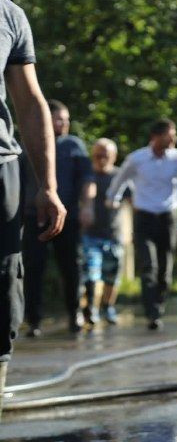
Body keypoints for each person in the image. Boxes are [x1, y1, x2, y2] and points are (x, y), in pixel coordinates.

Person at [0, 0, 66, 418]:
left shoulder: (10, 16)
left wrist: (48, 184)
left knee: (5, 284)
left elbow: (29, 102)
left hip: (1, 169)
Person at [106, 119, 177, 330]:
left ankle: (159, 304)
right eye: (171, 135)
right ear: (156, 136)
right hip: (144, 217)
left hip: (168, 216)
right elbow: (120, 179)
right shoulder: (137, 158)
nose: (175, 140)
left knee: (165, 268)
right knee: (148, 265)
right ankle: (151, 312)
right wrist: (113, 198)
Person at [22, 100, 94, 334]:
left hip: (67, 217)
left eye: (66, 119)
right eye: (58, 119)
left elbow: (87, 179)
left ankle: (75, 315)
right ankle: (34, 320)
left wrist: (87, 206)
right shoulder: (29, 144)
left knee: (71, 267)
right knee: (33, 269)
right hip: (34, 217)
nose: (63, 123)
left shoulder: (74, 145)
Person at [81, 138, 126, 326]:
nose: (101, 159)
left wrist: (128, 233)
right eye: (97, 155)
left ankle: (108, 306)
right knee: (91, 273)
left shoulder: (120, 176)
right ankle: (91, 308)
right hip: (90, 234)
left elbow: (129, 206)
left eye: (105, 155)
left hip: (113, 234)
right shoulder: (86, 175)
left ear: (113, 157)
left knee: (111, 276)